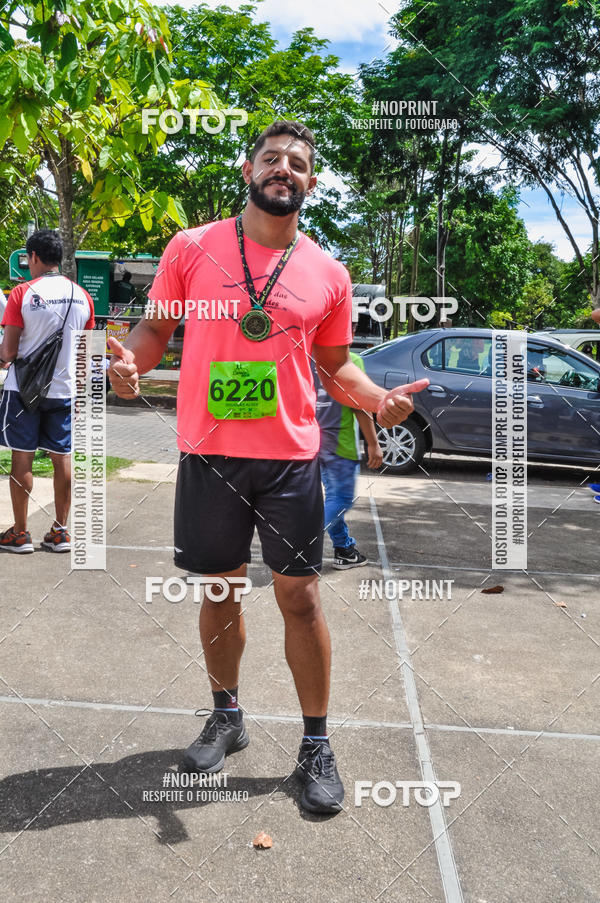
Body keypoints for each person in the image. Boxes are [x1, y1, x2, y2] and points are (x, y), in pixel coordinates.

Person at [108, 120, 428, 814]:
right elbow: (157, 329)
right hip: (209, 454)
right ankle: (227, 715)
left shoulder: (328, 273)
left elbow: (337, 365)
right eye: (271, 158)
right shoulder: (192, 248)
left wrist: (381, 402)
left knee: (300, 598)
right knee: (220, 592)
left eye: (298, 163)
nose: (283, 168)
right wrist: (133, 364)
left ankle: (316, 742)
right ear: (249, 169)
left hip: (288, 459)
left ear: (310, 183)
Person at [0, 229, 95, 553]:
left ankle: (21, 533)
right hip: (65, 391)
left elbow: (9, 353)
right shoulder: (82, 296)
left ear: (35, 257)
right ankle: (61, 531)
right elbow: (85, 353)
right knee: (62, 458)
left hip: (23, 391)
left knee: (22, 458)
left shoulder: (21, 293)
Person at [313, 338, 383, 568]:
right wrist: (373, 443)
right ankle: (301, 542)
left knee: (333, 498)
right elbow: (359, 405)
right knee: (340, 499)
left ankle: (344, 549)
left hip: (312, 443)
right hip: (339, 444)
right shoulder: (351, 362)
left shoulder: (305, 360)